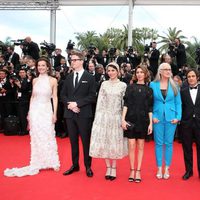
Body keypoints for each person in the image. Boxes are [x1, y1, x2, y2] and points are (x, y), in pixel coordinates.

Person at [4, 57, 60, 177]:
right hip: (35, 111)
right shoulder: (34, 80)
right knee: (36, 136)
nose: (41, 67)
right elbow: (33, 97)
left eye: (43, 65)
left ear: (48, 67)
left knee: (48, 134)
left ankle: (53, 161)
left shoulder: (53, 80)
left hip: (46, 110)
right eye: (39, 65)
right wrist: (30, 113)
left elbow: (55, 98)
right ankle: (38, 161)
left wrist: (55, 113)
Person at [89, 62, 128, 181]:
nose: (110, 73)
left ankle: (114, 168)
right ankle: (108, 167)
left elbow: (124, 103)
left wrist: (123, 118)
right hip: (104, 116)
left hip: (116, 116)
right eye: (109, 71)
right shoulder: (104, 84)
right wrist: (98, 117)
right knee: (105, 140)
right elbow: (100, 101)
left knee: (114, 141)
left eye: (113, 70)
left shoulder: (123, 85)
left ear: (118, 71)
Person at [61, 49, 96, 178]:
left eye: (75, 60)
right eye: (71, 60)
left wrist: (77, 104)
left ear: (81, 61)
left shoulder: (89, 77)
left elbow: (92, 96)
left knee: (86, 141)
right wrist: (70, 105)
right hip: (70, 115)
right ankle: (75, 165)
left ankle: (88, 166)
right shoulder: (68, 77)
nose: (72, 62)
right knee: (73, 141)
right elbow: (62, 95)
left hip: (84, 114)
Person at [150, 63, 182, 179]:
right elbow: (150, 103)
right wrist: (152, 116)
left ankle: (167, 168)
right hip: (157, 118)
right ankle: (159, 168)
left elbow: (178, 103)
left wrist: (178, 117)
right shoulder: (153, 85)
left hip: (171, 118)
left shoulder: (175, 85)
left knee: (169, 143)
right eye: (166, 69)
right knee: (158, 144)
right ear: (160, 71)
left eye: (169, 69)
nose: (168, 71)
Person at [122, 65, 153, 183]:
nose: (139, 74)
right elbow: (126, 104)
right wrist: (122, 119)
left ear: (145, 74)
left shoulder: (149, 90)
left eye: (141, 72)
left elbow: (150, 107)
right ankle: (131, 170)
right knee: (131, 145)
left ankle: (138, 170)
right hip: (130, 119)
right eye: (138, 72)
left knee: (140, 146)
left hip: (143, 120)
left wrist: (150, 124)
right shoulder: (130, 88)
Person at [180, 69, 200, 180]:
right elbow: (181, 107)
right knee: (187, 148)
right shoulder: (182, 91)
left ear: (197, 77)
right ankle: (189, 171)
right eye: (189, 76)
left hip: (199, 123)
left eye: (193, 76)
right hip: (186, 123)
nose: (191, 78)